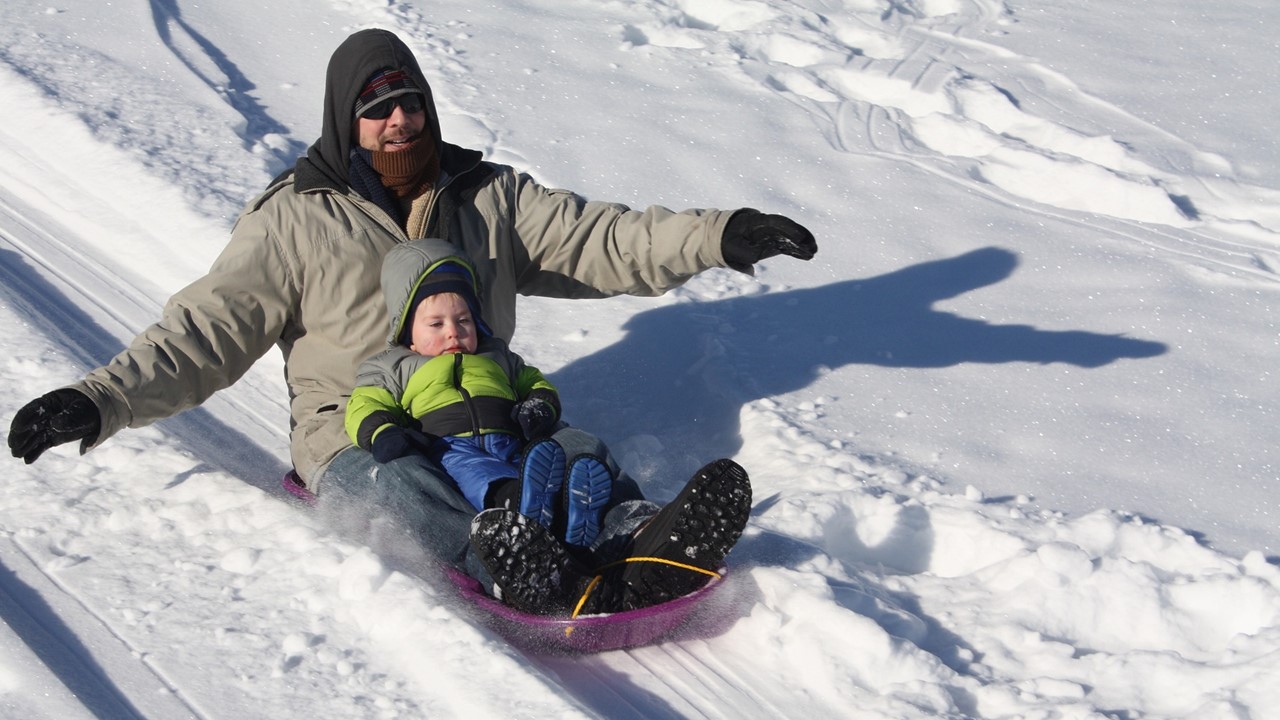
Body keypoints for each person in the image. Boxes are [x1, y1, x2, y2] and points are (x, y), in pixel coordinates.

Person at [7, 28, 815, 613]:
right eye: (376, 108)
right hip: (363, 429)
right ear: (343, 120)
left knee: (569, 451)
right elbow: (207, 329)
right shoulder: (293, 220)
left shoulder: (486, 195)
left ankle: (641, 536)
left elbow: (600, 238)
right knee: (399, 484)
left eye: (409, 103)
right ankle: (503, 557)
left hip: (486, 407)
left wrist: (716, 233)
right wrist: (102, 398)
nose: (398, 121)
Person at [346, 238, 608, 547]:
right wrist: (384, 431)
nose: (453, 331)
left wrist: (539, 405)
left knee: (546, 466)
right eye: (436, 324)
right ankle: (516, 509)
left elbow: (534, 382)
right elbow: (364, 403)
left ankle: (573, 514)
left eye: (463, 320)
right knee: (480, 476)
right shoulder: (393, 367)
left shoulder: (497, 356)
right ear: (407, 331)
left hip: (511, 442)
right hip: (450, 449)